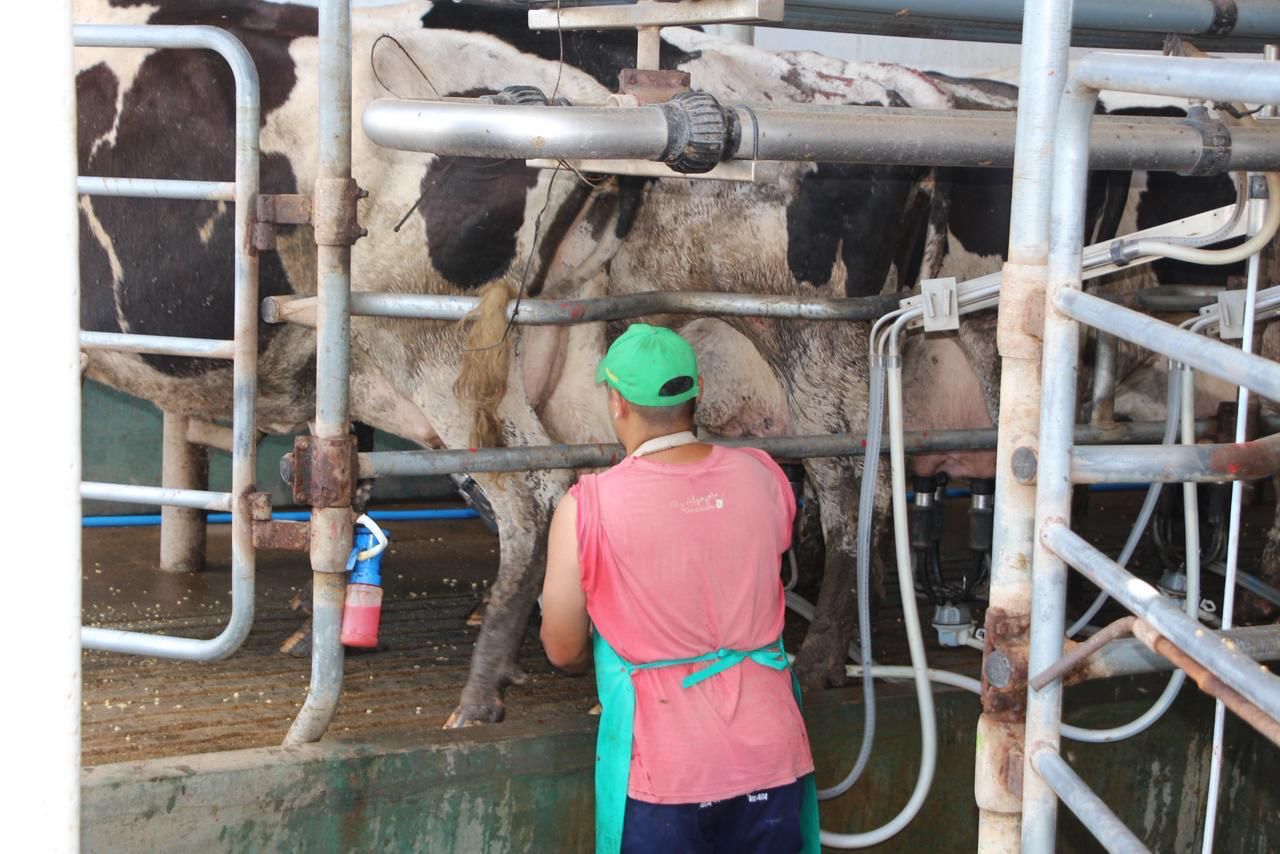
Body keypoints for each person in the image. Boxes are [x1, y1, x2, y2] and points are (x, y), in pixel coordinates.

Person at [539, 323, 818, 854]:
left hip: (666, 766)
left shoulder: (586, 506)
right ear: (698, 391)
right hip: (772, 750)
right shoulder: (763, 475)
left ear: (617, 402)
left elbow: (562, 646)